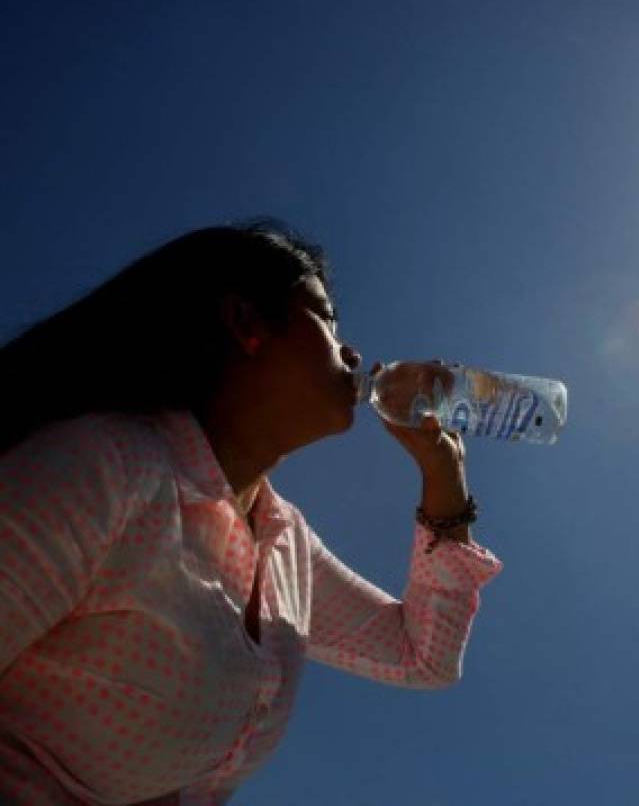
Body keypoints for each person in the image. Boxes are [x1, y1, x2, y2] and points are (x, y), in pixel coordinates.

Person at [0, 220, 502, 803]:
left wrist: (443, 472)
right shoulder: (104, 470)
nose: (354, 351)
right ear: (246, 324)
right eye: (325, 317)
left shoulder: (285, 543)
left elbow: (422, 658)